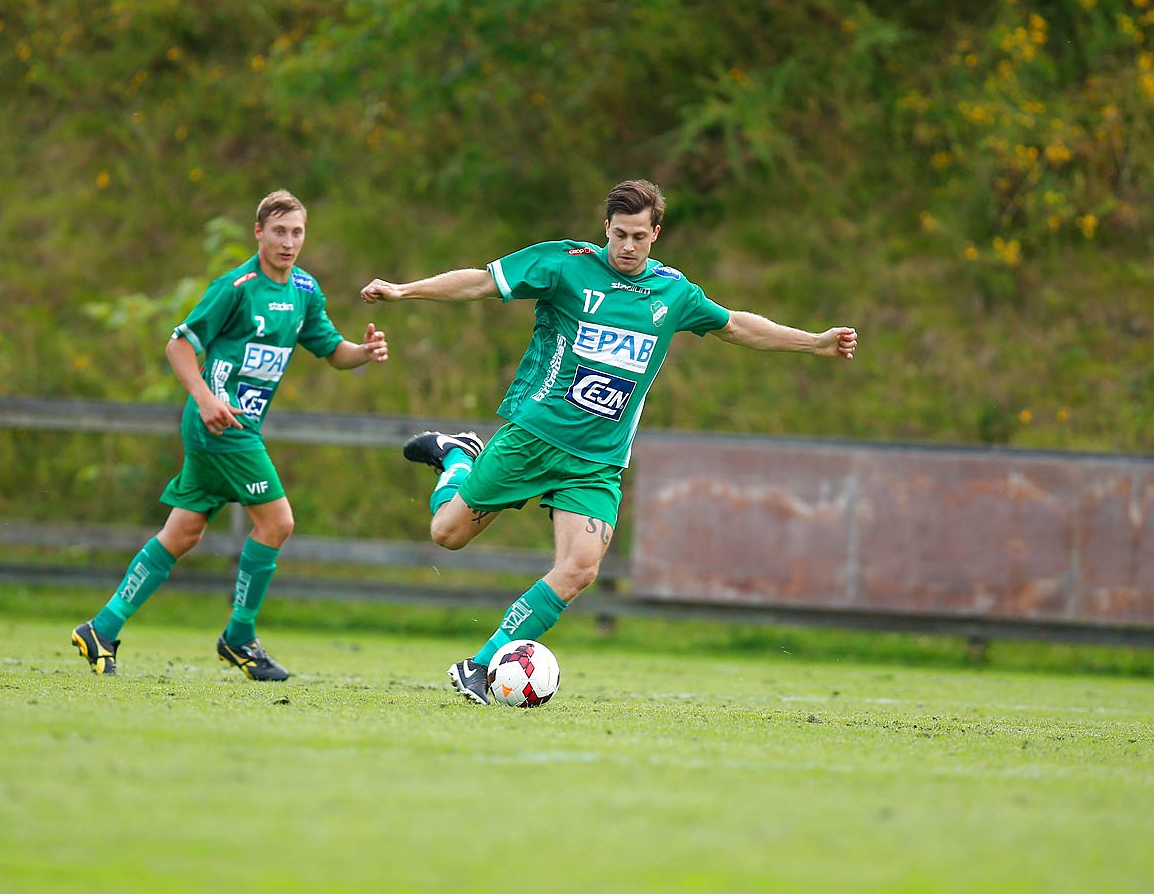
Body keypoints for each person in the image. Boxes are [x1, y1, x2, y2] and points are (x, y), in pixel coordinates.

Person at [361, 179, 856, 703]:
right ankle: (458, 457)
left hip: (596, 462)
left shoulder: (673, 293)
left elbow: (735, 326)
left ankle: (481, 666)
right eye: (619, 234)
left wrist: (814, 343)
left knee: (580, 569)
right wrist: (404, 290)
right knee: (447, 534)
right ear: (606, 229)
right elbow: (482, 283)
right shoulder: (565, 264)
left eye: (638, 236)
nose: (626, 246)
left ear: (655, 234)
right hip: (533, 437)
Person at [72, 189, 389, 680]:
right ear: (258, 232)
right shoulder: (236, 287)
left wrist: (362, 352)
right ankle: (239, 638)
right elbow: (178, 347)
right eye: (279, 231)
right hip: (222, 426)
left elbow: (332, 350)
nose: (288, 242)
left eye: (297, 232)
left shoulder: (304, 290)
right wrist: (205, 398)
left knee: (183, 533)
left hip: (236, 427)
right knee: (277, 522)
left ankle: (102, 627)